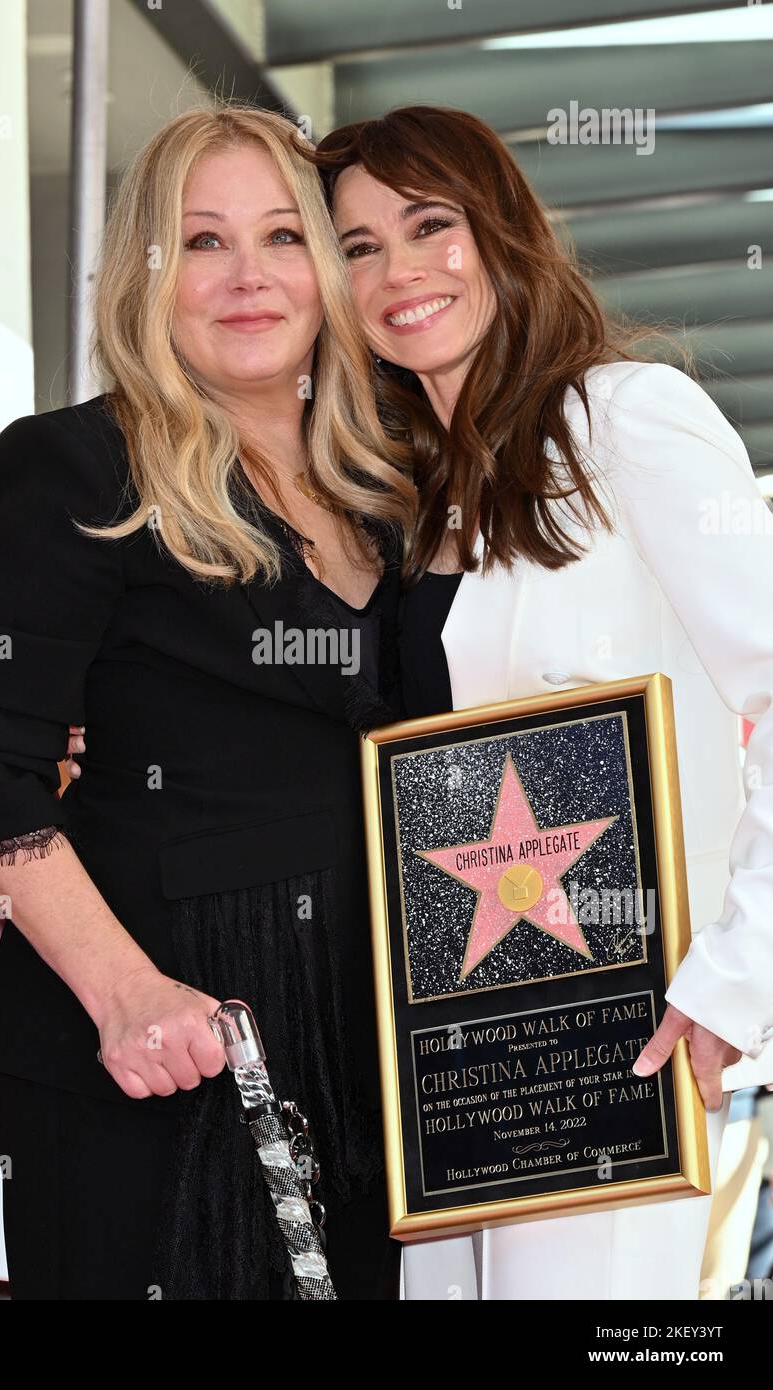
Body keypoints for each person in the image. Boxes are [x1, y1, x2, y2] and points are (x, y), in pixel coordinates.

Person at [0, 105, 417, 1301]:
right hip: (157, 1051)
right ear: (148, 271)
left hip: (378, 1056)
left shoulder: (404, 481)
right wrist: (127, 993)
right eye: (202, 242)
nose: (248, 276)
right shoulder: (75, 468)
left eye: (282, 237)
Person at [308, 104, 773, 1299]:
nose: (398, 271)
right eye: (357, 246)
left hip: (613, 1047)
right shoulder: (415, 496)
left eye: (428, 225)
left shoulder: (624, 421)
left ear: (503, 231)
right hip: (452, 1064)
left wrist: (729, 982)